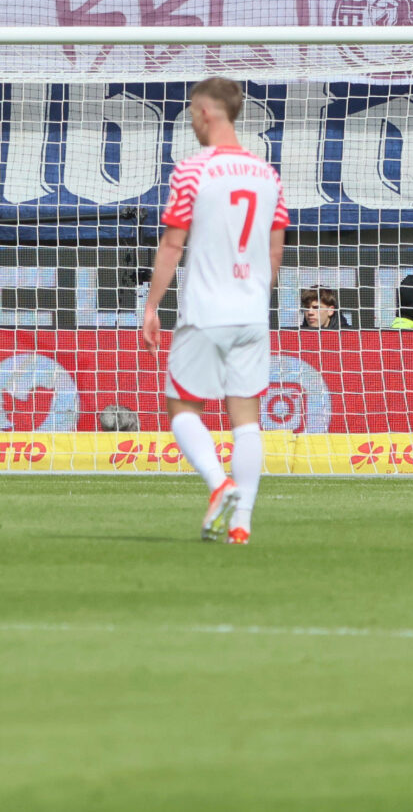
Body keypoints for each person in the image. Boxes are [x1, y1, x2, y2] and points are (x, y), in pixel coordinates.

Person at [138, 76, 288, 546]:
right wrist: (257, 293)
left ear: (206, 112)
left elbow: (172, 243)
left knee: (183, 407)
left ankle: (218, 483)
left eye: (191, 112)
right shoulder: (268, 174)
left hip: (205, 310)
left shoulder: (192, 170)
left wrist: (151, 307)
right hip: (251, 310)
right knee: (246, 418)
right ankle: (241, 522)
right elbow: (275, 251)